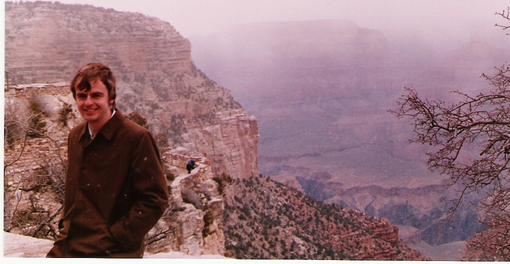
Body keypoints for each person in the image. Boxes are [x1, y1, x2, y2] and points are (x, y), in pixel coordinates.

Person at [47, 63, 169, 258]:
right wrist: (65, 225)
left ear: (111, 99)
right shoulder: (75, 136)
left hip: (113, 252)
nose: (88, 103)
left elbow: (155, 199)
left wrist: (116, 237)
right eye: (82, 96)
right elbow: (73, 191)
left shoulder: (136, 138)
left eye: (96, 95)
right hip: (69, 245)